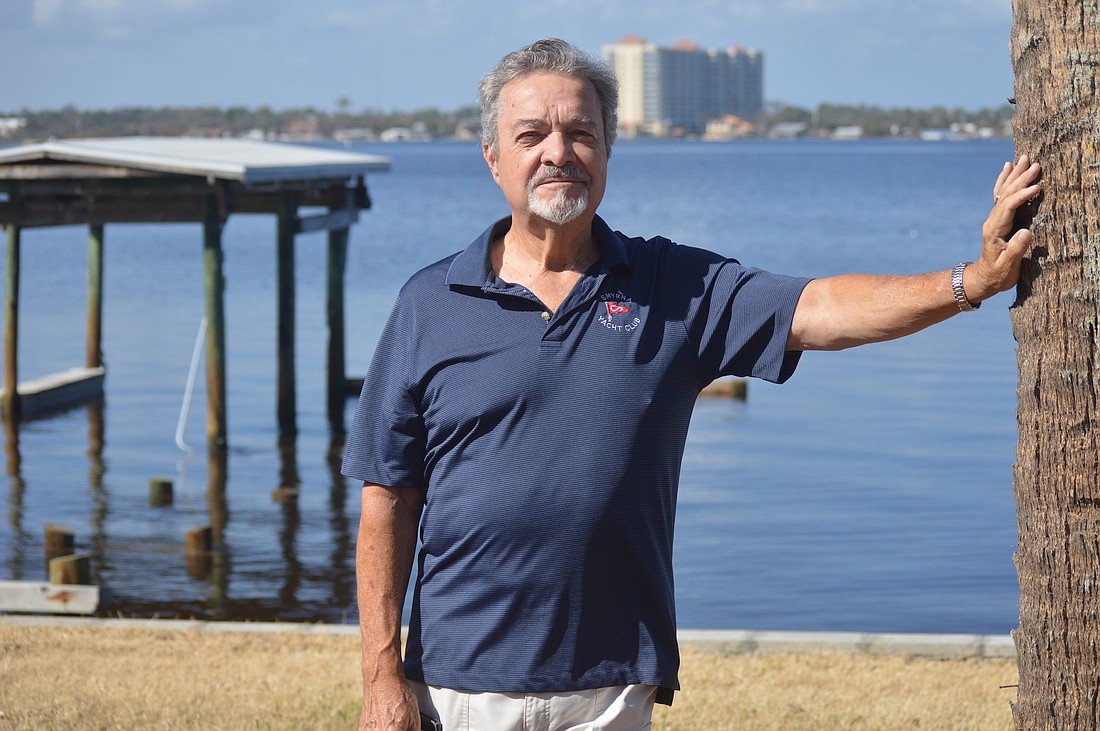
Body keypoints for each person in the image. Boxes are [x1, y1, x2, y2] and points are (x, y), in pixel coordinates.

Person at [342, 38, 1041, 731]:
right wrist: (381, 676)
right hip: (457, 687)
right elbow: (388, 501)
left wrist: (971, 281)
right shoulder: (429, 303)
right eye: (532, 135)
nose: (558, 152)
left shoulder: (674, 287)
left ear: (608, 151)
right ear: (493, 158)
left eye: (581, 133)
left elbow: (823, 309)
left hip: (611, 690)